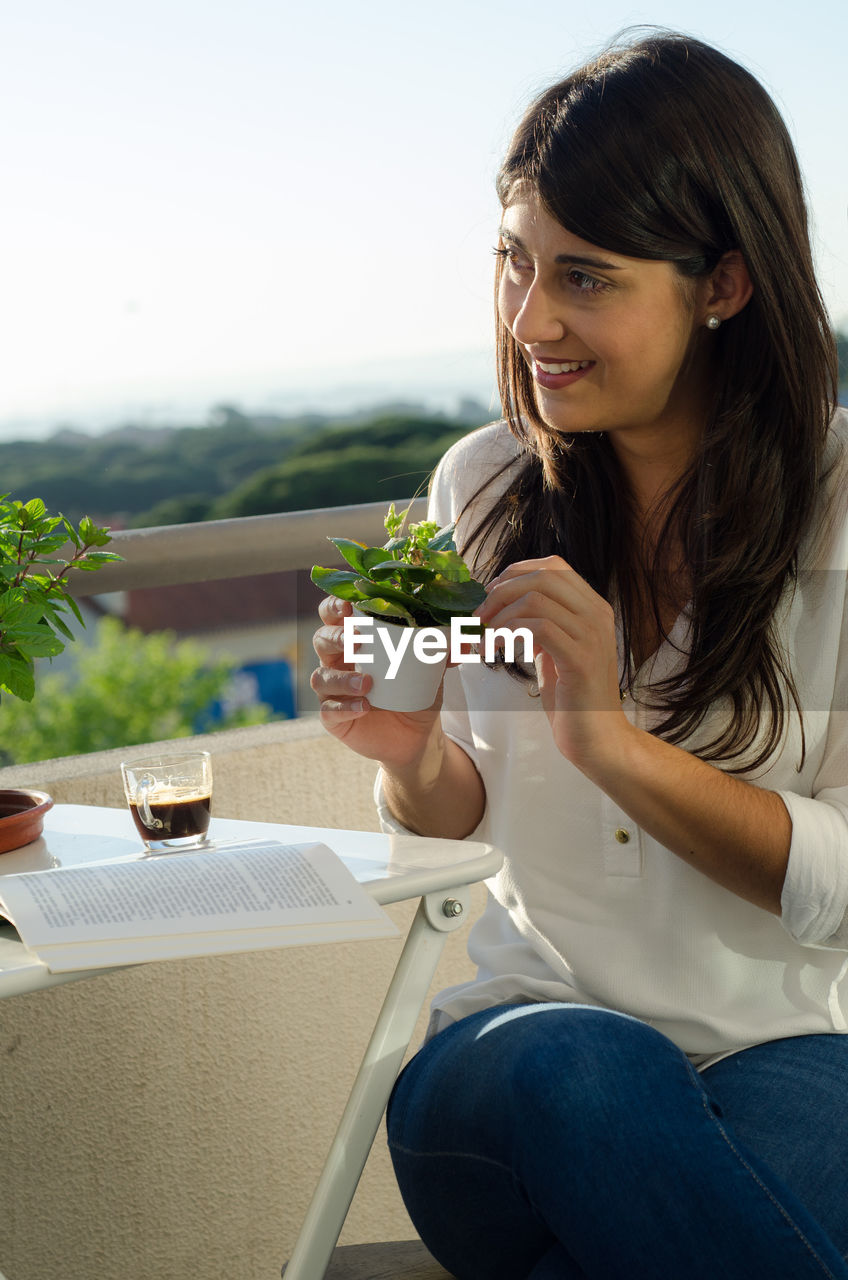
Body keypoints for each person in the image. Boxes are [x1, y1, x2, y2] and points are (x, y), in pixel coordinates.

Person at [311, 29, 848, 1280]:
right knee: (591, 1068)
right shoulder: (482, 484)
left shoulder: (839, 503)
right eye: (514, 262)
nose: (529, 318)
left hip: (789, 1048)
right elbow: (460, 818)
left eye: (586, 278)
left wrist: (606, 741)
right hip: (518, 1053)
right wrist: (408, 758)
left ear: (721, 284)